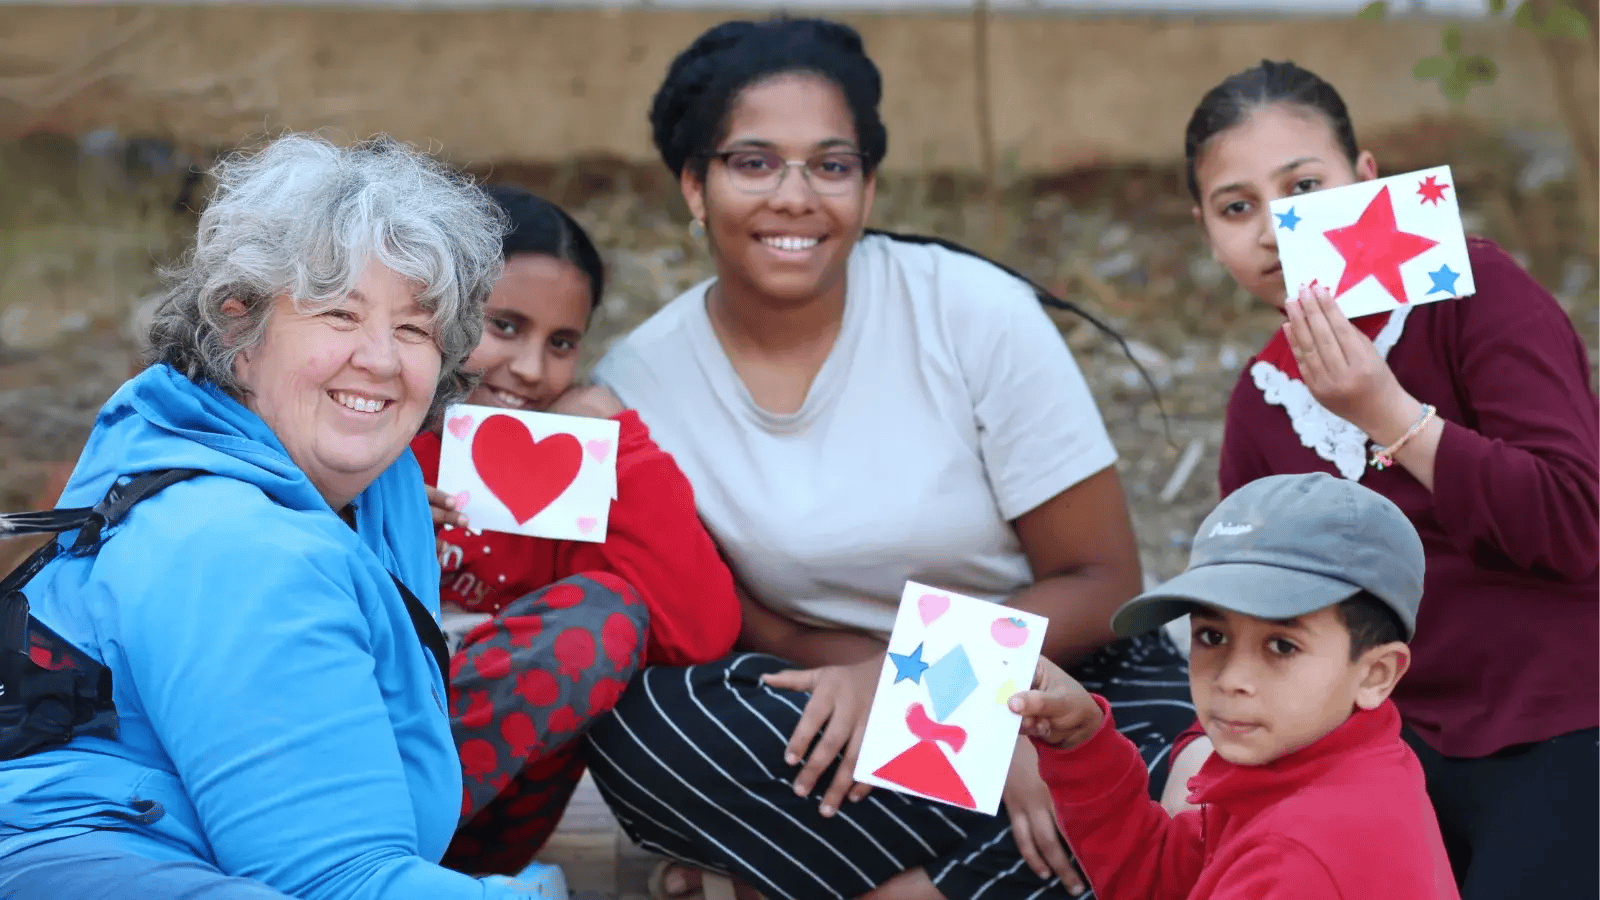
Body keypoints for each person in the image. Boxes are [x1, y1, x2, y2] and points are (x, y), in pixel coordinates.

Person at [582, 16, 1194, 900]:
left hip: (1051, 672)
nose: (795, 195)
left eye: (831, 166)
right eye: (753, 162)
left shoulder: (975, 314)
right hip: (830, 685)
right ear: (693, 185)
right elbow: (761, 624)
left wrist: (974, 707)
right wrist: (895, 693)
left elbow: (1101, 580)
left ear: (867, 191)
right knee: (643, 727)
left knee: (1168, 773)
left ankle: (820, 883)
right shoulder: (642, 382)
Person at [0, 134, 557, 899]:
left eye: (414, 328)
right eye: (338, 313)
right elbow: (340, 884)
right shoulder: (235, 544)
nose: (382, 359)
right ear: (240, 335)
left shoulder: (333, 485)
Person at [1163, 60, 1600, 897]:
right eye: (1236, 207)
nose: (1272, 228)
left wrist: (1387, 410)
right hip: (1382, 739)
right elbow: (1244, 609)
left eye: (1304, 184)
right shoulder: (1262, 397)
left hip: (1561, 708)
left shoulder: (1476, 295)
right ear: (1207, 231)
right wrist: (1200, 740)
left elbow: (1573, 524)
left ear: (1366, 179)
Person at [409, 184, 742, 875]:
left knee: (605, 616)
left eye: (561, 343)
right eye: (504, 326)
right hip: (331, 780)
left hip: (482, 826)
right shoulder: (364, 439)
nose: (532, 369)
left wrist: (619, 442)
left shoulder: (569, 469)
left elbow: (702, 630)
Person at [1011, 472, 1459, 900]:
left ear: (1375, 674)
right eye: (1212, 637)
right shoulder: (1309, 765)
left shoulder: (1295, 856)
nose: (1231, 679)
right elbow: (1161, 887)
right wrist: (1083, 742)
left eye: (1282, 646)